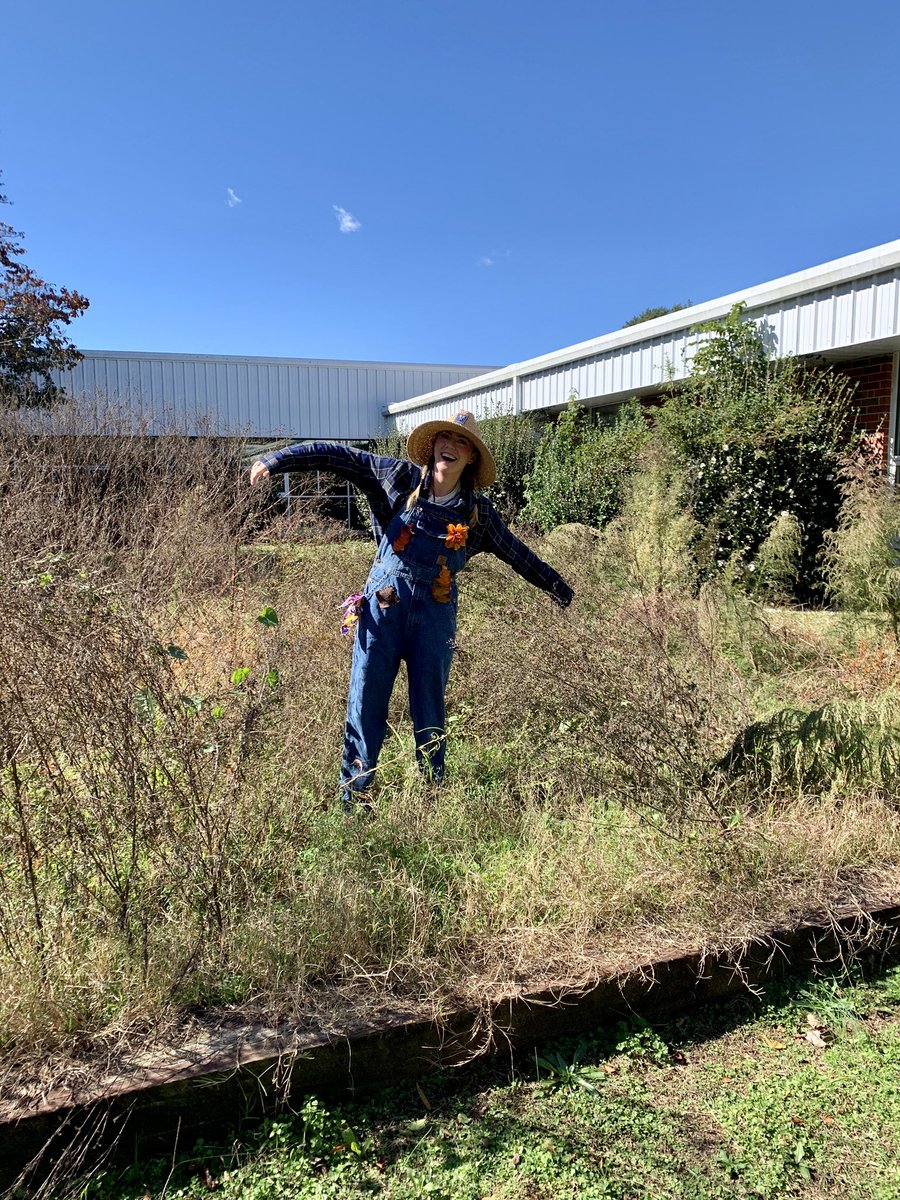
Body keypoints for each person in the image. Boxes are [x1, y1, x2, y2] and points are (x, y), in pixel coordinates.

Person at [249, 410, 573, 807]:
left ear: (471, 457)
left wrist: (560, 590)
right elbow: (338, 456)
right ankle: (354, 795)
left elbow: (519, 555)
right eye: (445, 438)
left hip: (435, 620)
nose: (450, 446)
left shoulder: (478, 514)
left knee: (429, 707)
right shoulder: (397, 477)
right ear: (433, 445)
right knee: (365, 700)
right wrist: (277, 460)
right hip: (383, 611)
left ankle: (432, 796)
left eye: (461, 442)